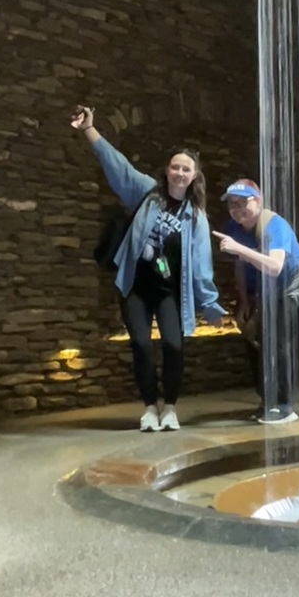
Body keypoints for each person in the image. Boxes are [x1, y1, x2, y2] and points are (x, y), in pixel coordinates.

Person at [71, 105, 225, 432]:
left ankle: (169, 407)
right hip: (135, 288)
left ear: (194, 175)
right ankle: (148, 408)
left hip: (169, 292)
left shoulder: (195, 217)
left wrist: (209, 303)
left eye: (187, 169)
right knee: (140, 345)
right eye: (175, 167)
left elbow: (200, 264)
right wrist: (89, 130)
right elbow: (118, 165)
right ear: (167, 171)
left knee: (173, 345)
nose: (180, 173)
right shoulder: (146, 193)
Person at [212, 180, 299, 424]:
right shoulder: (234, 228)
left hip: (290, 284)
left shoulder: (275, 226)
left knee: (278, 341)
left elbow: (275, 267)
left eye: (243, 202)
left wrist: (238, 249)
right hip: (263, 287)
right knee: (254, 339)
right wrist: (244, 300)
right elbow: (240, 266)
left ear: (258, 201)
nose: (237, 208)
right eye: (232, 204)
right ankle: (267, 400)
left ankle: (284, 405)